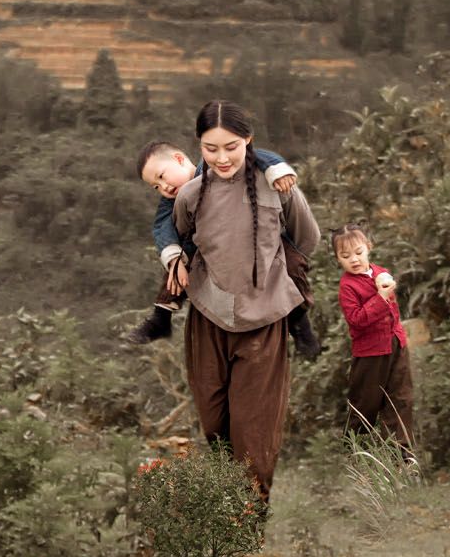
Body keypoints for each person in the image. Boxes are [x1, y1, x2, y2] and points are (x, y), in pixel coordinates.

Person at [167, 98, 321, 498]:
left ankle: (249, 530)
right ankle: (222, 525)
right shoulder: (191, 194)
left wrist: (274, 277)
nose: (221, 158)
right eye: (210, 148)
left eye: (231, 146)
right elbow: (183, 240)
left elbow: (308, 238)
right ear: (198, 146)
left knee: (253, 435)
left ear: (249, 141)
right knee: (215, 427)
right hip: (207, 321)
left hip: (263, 324)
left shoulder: (278, 188)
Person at [132, 136, 317, 358]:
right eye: (156, 186)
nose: (163, 187)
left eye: (161, 177)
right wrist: (173, 257)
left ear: (179, 159)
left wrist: (275, 169)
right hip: (207, 250)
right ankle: (161, 317)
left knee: (291, 264)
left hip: (258, 238)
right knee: (176, 263)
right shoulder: (171, 201)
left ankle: (301, 326)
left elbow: (254, 155)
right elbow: (162, 226)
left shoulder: (215, 168)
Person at [335, 225, 418, 462]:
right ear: (338, 259)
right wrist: (379, 297)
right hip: (370, 354)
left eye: (358, 252)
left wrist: (399, 336)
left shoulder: (381, 273)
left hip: (396, 347)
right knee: (365, 404)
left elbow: (393, 312)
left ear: (368, 248)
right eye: (345, 256)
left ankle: (401, 458)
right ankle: (356, 456)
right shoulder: (348, 287)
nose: (354, 260)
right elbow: (358, 320)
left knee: (401, 399)